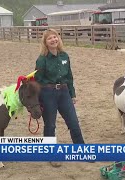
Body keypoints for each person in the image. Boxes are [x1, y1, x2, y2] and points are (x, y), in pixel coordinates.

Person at [34, 29, 85, 167]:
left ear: (58, 38)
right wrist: (39, 100)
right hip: (48, 94)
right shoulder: (42, 59)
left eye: (55, 37)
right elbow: (38, 80)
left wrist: (72, 94)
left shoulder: (64, 56)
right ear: (45, 42)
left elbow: (69, 77)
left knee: (73, 122)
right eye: (49, 38)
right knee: (50, 125)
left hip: (64, 93)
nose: (53, 40)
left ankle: (81, 151)